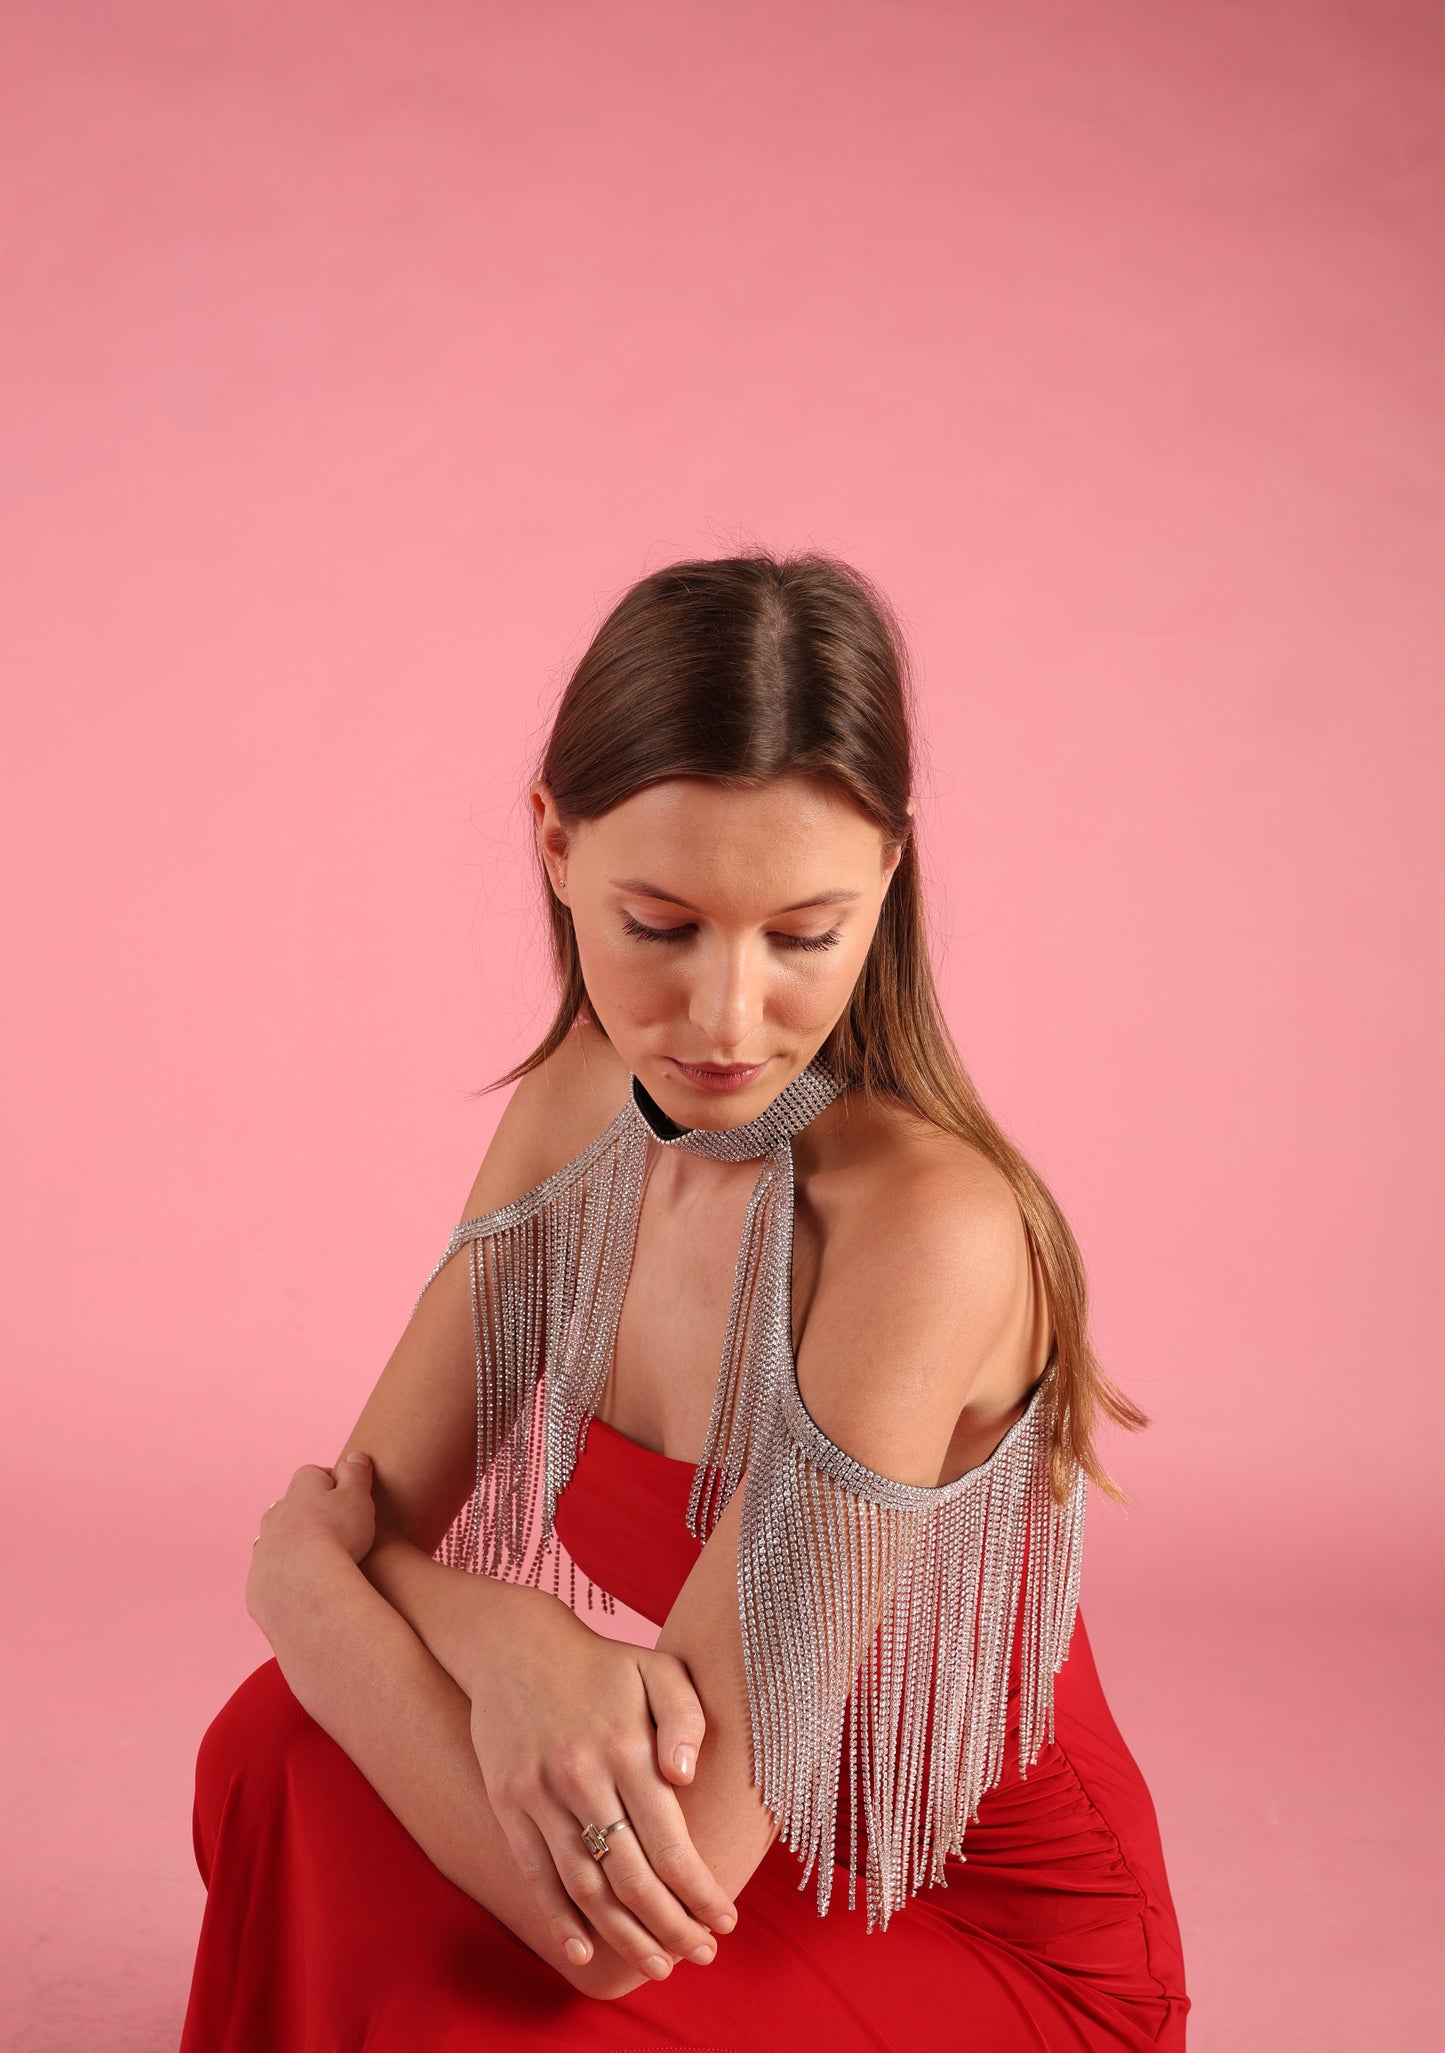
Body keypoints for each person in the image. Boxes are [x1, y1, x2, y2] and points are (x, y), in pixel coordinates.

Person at [180, 551, 1191, 2050]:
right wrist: (511, 1639)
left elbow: (623, 1914)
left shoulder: (930, 1232)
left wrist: (299, 1576)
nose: (725, 1019)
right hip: (726, 1860)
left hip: (971, 1932)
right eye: (661, 924)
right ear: (554, 842)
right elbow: (372, 1525)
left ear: (888, 879)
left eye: (804, 934)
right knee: (272, 1750)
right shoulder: (579, 1104)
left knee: (513, 1981)